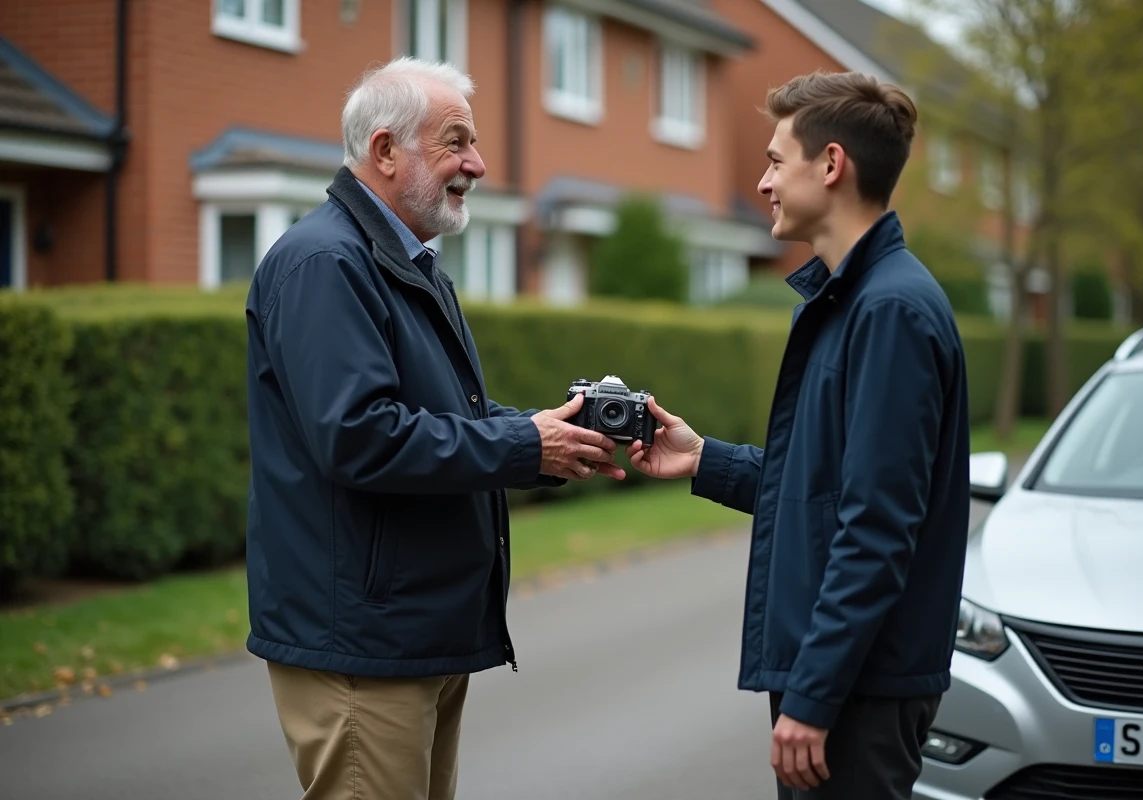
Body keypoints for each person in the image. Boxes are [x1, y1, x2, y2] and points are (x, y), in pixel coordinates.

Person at [242, 57, 623, 800]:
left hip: (408, 636)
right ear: (385, 150)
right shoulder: (325, 262)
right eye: (457, 142)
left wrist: (551, 436)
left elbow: (445, 417)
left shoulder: (403, 262)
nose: (477, 164)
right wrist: (523, 446)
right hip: (364, 642)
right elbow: (360, 436)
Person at [625, 70, 971, 800]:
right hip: (851, 679)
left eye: (777, 161)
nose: (763, 183)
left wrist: (814, 695)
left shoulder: (889, 313)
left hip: (860, 688)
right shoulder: (851, 303)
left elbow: (875, 528)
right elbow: (825, 490)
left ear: (832, 164)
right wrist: (704, 460)